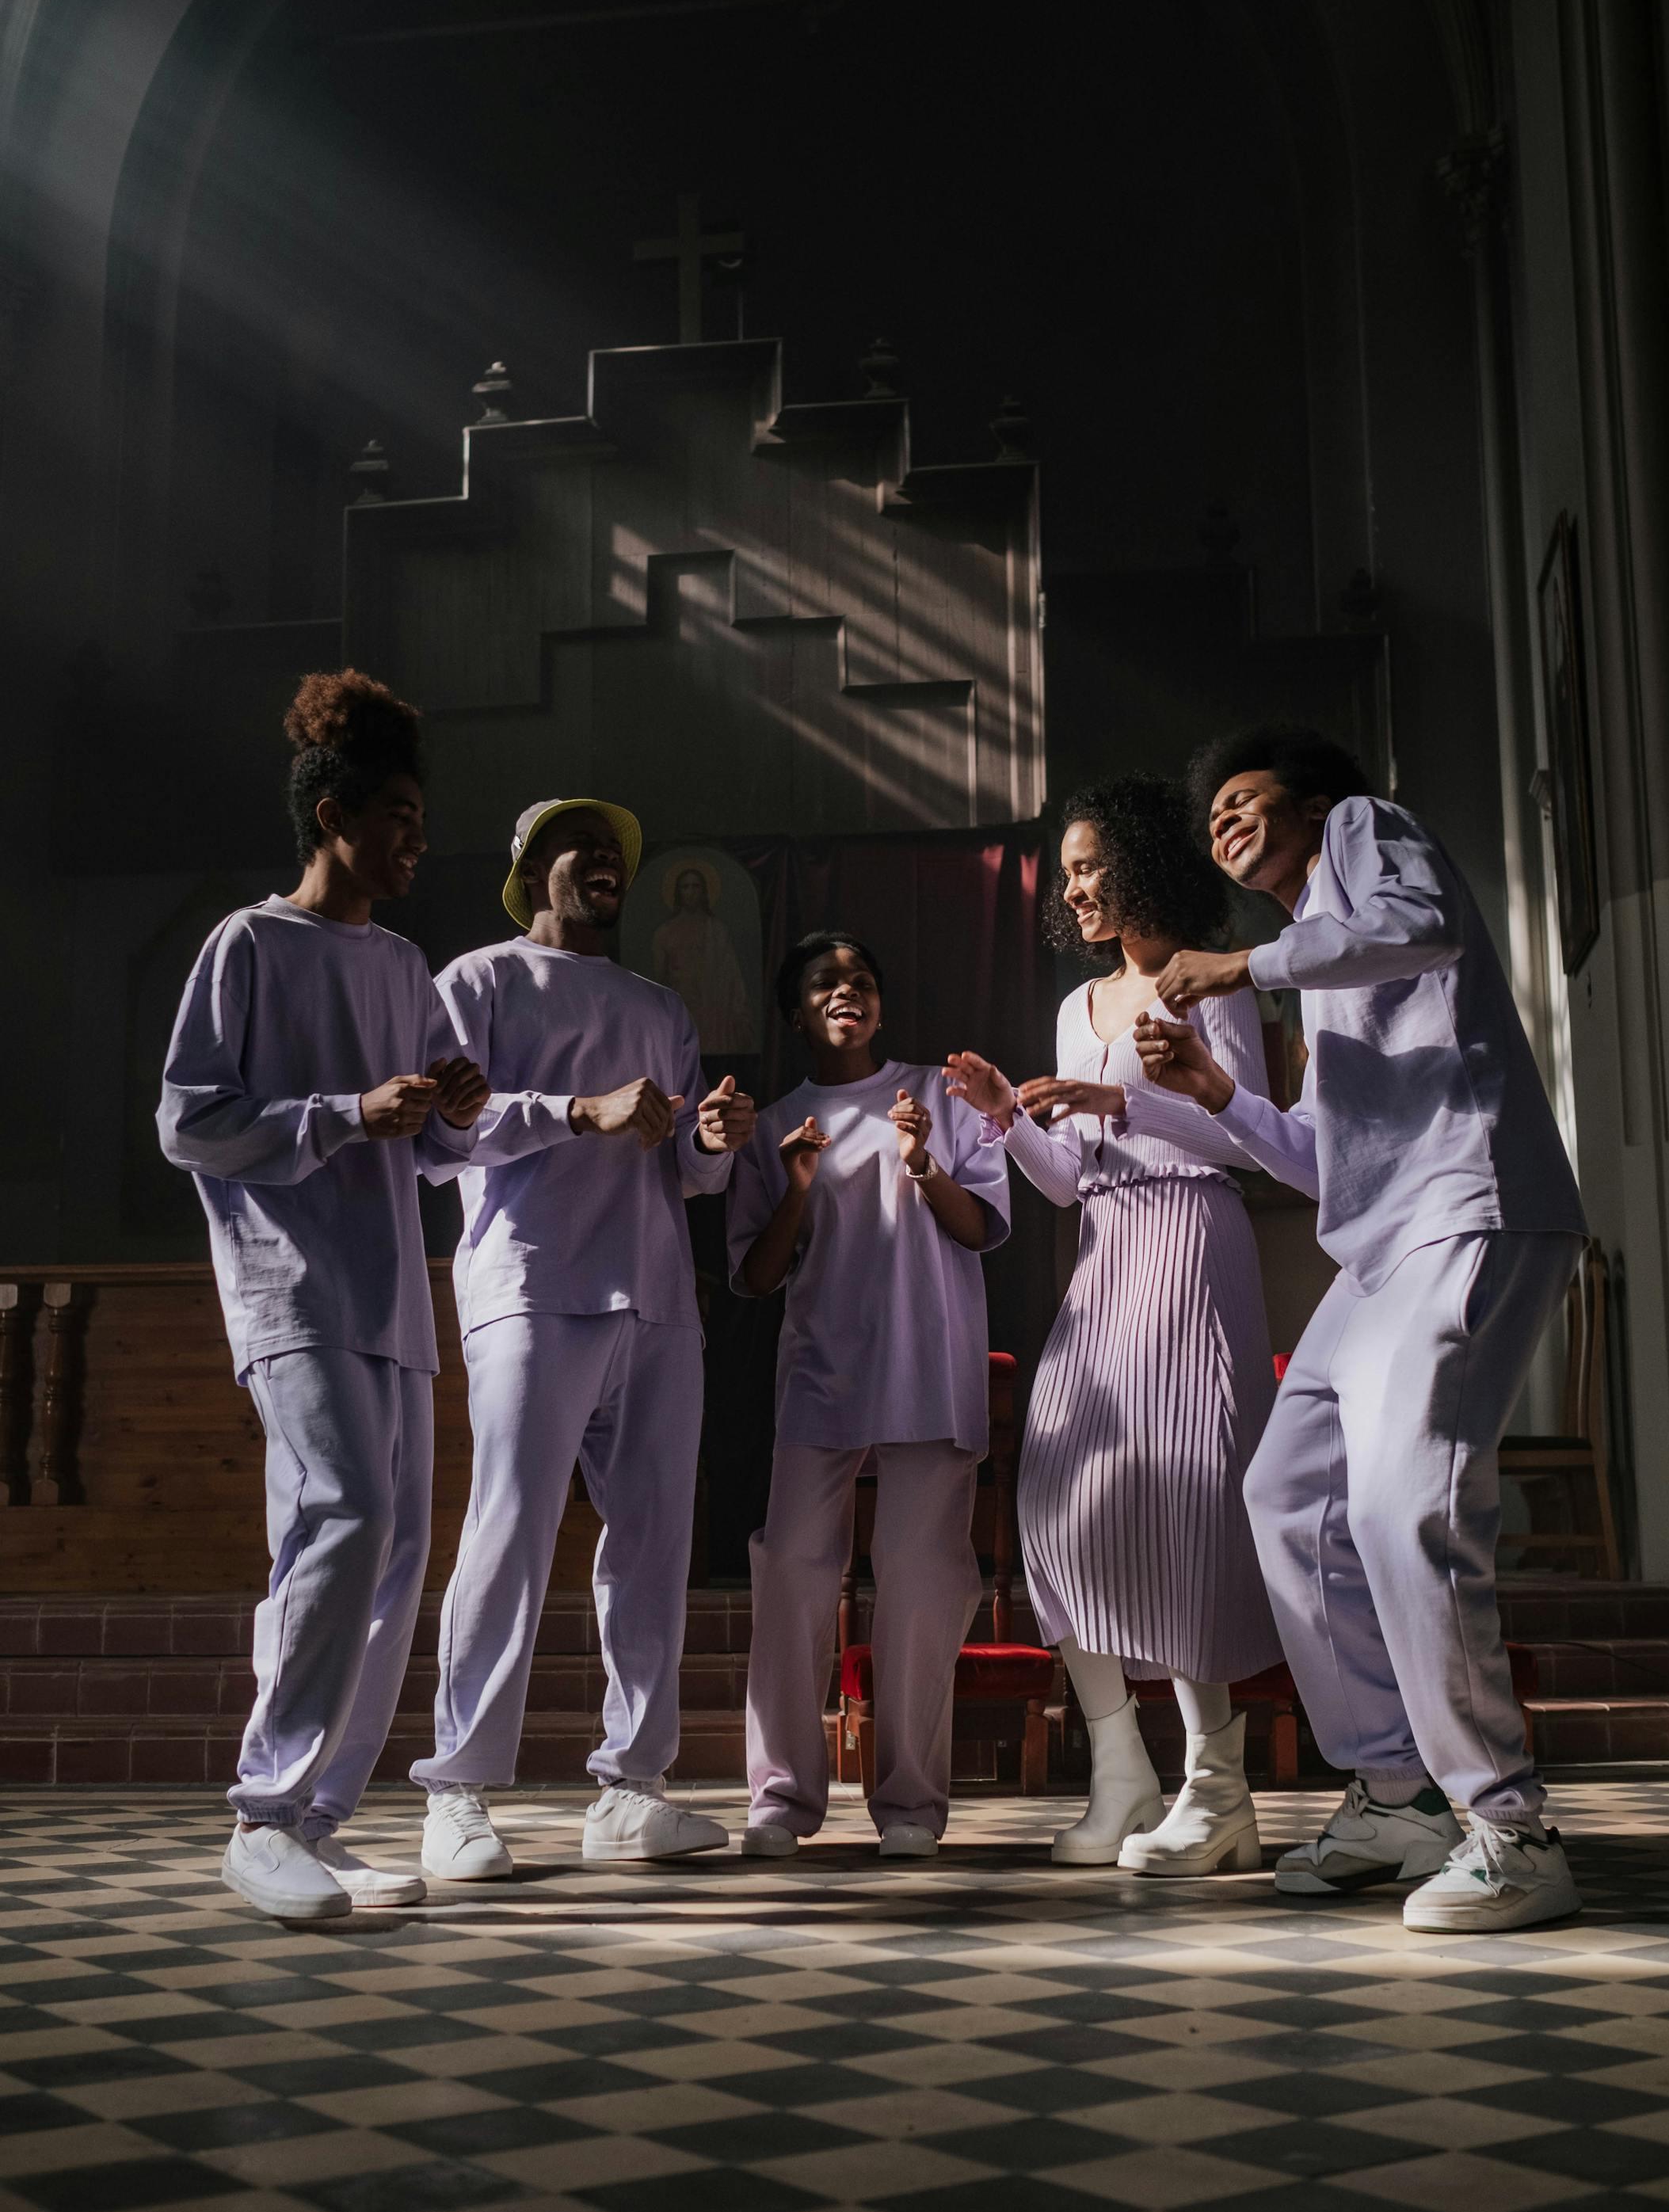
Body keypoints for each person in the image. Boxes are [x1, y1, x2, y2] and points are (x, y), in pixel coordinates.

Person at [1135, 725, 1587, 1932]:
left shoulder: (1364, 837)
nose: (1227, 822)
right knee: (1286, 1491)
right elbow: (1328, 1160)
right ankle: (1395, 1790)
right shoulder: (1318, 966)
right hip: (1380, 1247)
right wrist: (1221, 1098)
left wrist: (1239, 968)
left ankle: (1510, 1826)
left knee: (1405, 1506)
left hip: (1467, 1206)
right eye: (1213, 814)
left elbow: (1426, 923)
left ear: (1313, 798)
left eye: (1246, 798)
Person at [158, 671, 488, 1923]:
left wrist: (444, 1115)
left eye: (420, 815)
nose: (416, 836)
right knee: (340, 1518)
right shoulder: (249, 943)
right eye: (398, 813)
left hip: (393, 1290)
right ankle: (261, 1813)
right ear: (335, 814)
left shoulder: (405, 966)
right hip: (289, 1285)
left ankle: (316, 1821)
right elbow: (191, 1121)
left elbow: (427, 1151)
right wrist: (347, 1113)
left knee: (392, 1547)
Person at [412, 799, 756, 1872]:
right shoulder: (478, 982)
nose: (606, 862)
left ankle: (632, 1789)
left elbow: (688, 1174)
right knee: (509, 1530)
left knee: (654, 1545)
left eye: (617, 852)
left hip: (655, 1295)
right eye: (581, 846)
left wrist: (709, 1139)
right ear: (530, 868)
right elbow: (434, 1136)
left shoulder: (660, 1004)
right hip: (532, 1284)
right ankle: (457, 1797)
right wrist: (575, 1111)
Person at [947, 778, 1279, 1875]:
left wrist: (1118, 1103)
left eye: (1093, 866)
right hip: (1106, 1250)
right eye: (1068, 872)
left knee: (1185, 1505)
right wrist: (1006, 1115)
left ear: (1140, 864)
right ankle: (1121, 1770)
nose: (1076, 887)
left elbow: (1250, 1137)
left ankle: (1217, 1788)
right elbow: (1060, 1181)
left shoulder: (1208, 983)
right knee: (1056, 1498)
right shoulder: (1072, 1008)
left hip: (1193, 1235)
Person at [730, 931, 1009, 1860]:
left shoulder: (939, 1095)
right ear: (796, 1010)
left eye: (861, 980)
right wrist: (798, 1187)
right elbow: (757, 1278)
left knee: (923, 1585)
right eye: (823, 981)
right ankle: (781, 1797)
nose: (845, 991)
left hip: (928, 1367)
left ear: (880, 1006)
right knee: (795, 1577)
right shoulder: (776, 1127)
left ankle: (911, 1806)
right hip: (821, 1373)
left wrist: (923, 1163)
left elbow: (979, 1232)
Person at [652, 861, 756, 1053]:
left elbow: (731, 976)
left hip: (715, 1014)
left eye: (696, 886)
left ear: (704, 891)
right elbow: (660, 979)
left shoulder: (717, 929)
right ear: (678, 892)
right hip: (682, 1009)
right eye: (685, 887)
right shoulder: (665, 932)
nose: (691, 892)